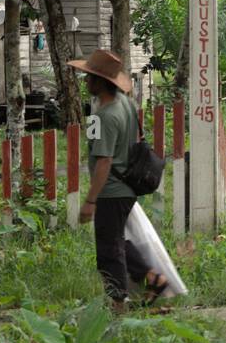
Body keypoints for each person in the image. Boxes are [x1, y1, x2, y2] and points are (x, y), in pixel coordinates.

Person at [70, 49, 167, 310]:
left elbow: (103, 161)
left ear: (102, 82)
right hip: (124, 187)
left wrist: (91, 200)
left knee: (108, 252)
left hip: (111, 191)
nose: (86, 81)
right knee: (117, 242)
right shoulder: (124, 104)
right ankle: (152, 278)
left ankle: (118, 303)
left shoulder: (107, 115)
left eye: (90, 77)